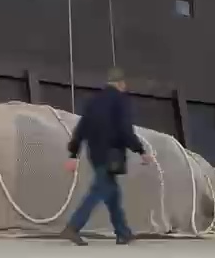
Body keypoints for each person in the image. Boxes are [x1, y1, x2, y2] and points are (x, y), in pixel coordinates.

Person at [61, 67, 154, 246]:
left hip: (94, 153)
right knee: (99, 190)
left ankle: (122, 232)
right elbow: (125, 130)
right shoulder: (121, 100)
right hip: (112, 153)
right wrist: (141, 151)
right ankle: (73, 227)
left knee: (112, 193)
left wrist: (73, 153)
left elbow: (81, 128)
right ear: (121, 83)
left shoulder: (94, 100)